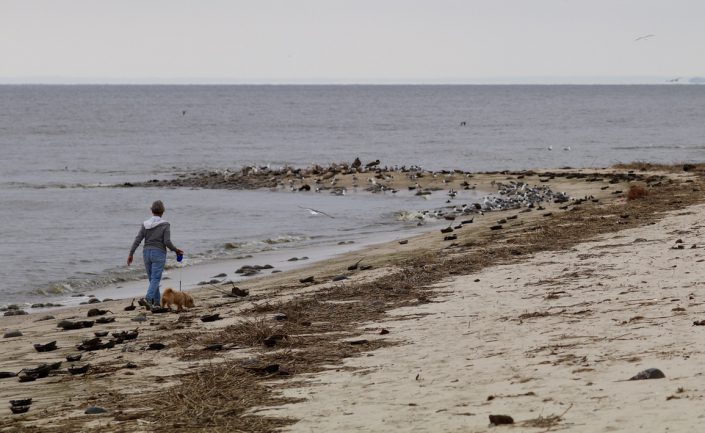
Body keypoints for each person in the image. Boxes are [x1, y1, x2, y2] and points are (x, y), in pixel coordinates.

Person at [127, 200, 183, 308]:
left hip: (146, 253)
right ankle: (148, 298)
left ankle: (156, 303)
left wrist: (131, 254)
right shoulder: (165, 225)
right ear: (163, 211)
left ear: (151, 210)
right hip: (158, 253)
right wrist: (175, 250)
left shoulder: (145, 224)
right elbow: (167, 242)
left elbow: (137, 240)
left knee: (152, 279)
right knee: (155, 279)